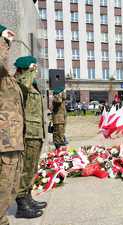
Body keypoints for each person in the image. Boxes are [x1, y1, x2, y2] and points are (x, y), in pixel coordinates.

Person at [14, 56, 46, 218]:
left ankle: (27, 197)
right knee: (25, 169)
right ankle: (21, 205)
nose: (36, 72)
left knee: (32, 168)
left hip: (35, 133)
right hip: (27, 134)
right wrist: (29, 73)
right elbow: (23, 87)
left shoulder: (31, 85)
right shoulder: (20, 83)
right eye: (33, 69)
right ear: (26, 69)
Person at [0, 25, 24, 225]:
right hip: (4, 141)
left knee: (9, 189)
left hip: (12, 141)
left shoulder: (8, 79)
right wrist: (2, 40)